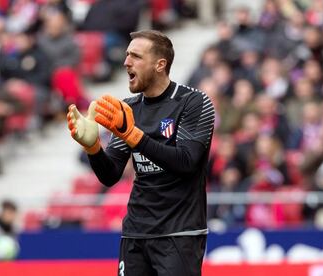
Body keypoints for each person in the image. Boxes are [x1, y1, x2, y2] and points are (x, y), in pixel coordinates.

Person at [67, 30, 215, 276]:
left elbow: (186, 162)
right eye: (127, 55)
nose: (126, 62)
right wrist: (93, 148)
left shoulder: (194, 102)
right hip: (135, 233)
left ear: (160, 64)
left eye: (135, 56)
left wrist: (133, 135)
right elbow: (111, 175)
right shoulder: (129, 109)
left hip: (179, 234)